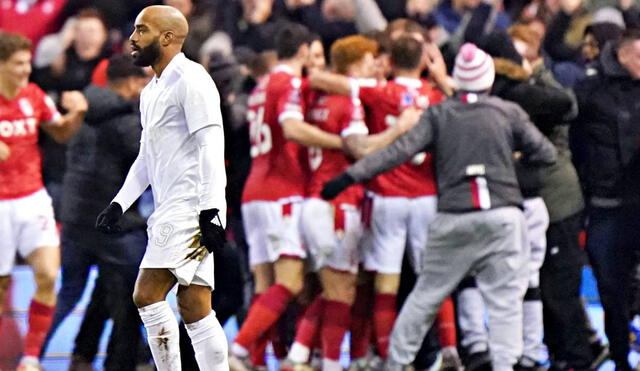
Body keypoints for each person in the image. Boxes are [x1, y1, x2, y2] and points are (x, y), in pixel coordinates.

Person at [322, 43, 557, 371]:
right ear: (488, 79)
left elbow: (397, 151)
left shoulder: (439, 114)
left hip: (454, 216)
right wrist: (507, 174)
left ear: (459, 79)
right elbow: (546, 154)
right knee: (506, 302)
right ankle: (505, 365)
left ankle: (397, 363)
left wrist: (346, 178)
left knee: (425, 296)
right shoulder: (507, 112)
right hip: (504, 216)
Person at [94, 5, 228, 371]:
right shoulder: (151, 90)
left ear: (167, 38)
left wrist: (212, 211)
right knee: (195, 306)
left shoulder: (192, 79)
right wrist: (120, 203)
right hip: (170, 206)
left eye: (142, 30)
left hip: (191, 206)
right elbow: (147, 157)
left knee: (146, 295)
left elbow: (210, 145)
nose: (133, 39)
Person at [228, 22, 344, 371]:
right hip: (282, 191)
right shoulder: (288, 83)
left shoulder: (263, 85)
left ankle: (265, 359)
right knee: (291, 282)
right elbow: (292, 128)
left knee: (266, 288)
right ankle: (239, 349)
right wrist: (340, 143)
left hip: (254, 193)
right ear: (304, 51)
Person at [41, 54, 150, 371]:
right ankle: (138, 356)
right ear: (131, 83)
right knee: (144, 281)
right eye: (143, 82)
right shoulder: (125, 119)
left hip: (74, 216)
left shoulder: (81, 109)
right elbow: (150, 161)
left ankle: (30, 355)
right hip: (111, 224)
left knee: (69, 292)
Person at [0, 31, 88, 371]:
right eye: (18, 64)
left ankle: (32, 358)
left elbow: (61, 132)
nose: (26, 70)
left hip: (33, 198)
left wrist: (77, 114)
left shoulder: (34, 95)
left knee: (49, 275)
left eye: (27, 63)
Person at [572, 28, 640, 371]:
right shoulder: (590, 91)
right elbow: (574, 143)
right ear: (624, 55)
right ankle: (619, 357)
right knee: (611, 291)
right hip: (606, 206)